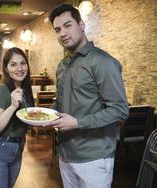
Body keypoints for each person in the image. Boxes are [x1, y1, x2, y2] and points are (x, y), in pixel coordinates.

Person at [43, 3, 129, 188]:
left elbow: (120, 110)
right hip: (65, 154)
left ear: (81, 25)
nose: (62, 33)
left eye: (68, 25)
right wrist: (46, 115)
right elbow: (61, 102)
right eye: (57, 29)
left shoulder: (103, 62)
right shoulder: (62, 65)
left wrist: (77, 123)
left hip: (94, 157)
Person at [0, 47, 34, 188]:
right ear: (6, 68)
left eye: (23, 63)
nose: (19, 68)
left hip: (17, 148)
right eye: (13, 64)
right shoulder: (1, 90)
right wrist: (12, 107)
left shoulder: (25, 89)